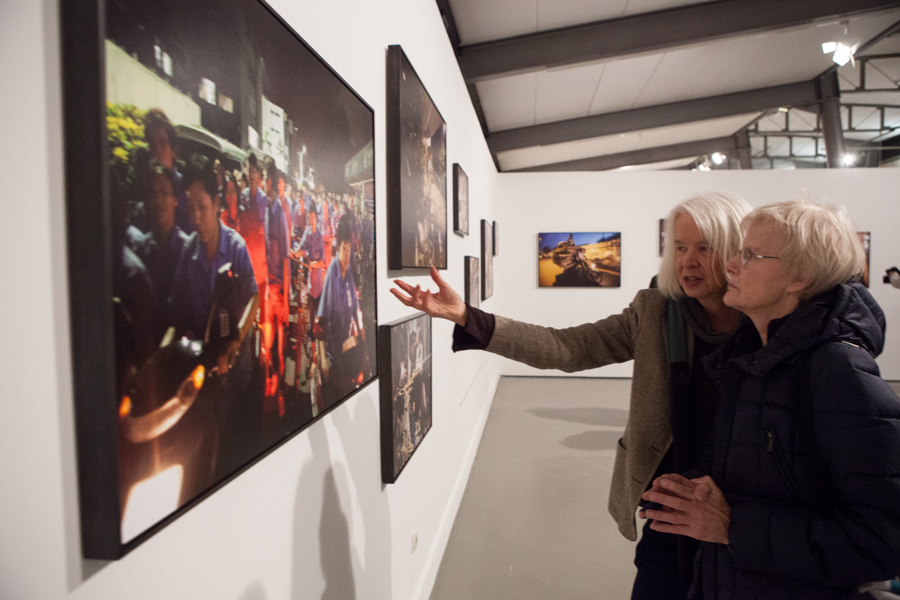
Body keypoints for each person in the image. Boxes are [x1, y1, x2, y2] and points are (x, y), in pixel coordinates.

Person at [391, 192, 753, 600]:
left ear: (737, 250)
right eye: (681, 247)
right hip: (667, 505)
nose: (688, 261)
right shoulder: (655, 312)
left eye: (704, 248)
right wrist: (468, 317)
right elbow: (568, 347)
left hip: (743, 508)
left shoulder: (767, 324)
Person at [641, 200, 900, 599]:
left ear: (798, 276)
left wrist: (730, 525)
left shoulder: (839, 372)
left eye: (749, 255)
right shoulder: (750, 360)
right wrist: (691, 490)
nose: (731, 265)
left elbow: (881, 539)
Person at [314, 213, 363, 403]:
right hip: (331, 351)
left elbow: (354, 312)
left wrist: (361, 335)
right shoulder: (332, 273)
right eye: (344, 249)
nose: (347, 255)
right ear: (337, 249)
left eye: (350, 250)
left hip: (344, 348)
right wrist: (324, 363)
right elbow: (320, 324)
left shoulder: (349, 274)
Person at [144, 108, 190, 233]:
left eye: (163, 144)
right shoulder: (145, 189)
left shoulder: (186, 190)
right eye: (153, 145)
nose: (157, 152)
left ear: (173, 151)